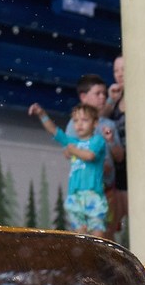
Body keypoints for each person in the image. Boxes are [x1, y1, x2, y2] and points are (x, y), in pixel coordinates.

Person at [28, 101, 109, 240]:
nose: (79, 124)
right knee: (80, 235)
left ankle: (99, 253)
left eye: (84, 120)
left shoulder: (97, 141)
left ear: (95, 123)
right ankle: (84, 252)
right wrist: (42, 114)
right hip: (75, 195)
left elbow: (89, 156)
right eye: (76, 121)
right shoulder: (73, 141)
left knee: (98, 233)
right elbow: (54, 131)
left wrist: (72, 150)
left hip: (93, 194)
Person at [70, 74, 122, 229]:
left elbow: (119, 157)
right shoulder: (74, 124)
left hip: (107, 188)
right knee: (82, 233)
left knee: (105, 231)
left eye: (104, 94)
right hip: (83, 189)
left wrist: (111, 141)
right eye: (97, 93)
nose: (102, 97)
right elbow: (68, 152)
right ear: (83, 97)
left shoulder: (108, 125)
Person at [103, 55, 127, 235]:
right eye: (115, 71)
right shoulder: (116, 100)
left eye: (123, 70)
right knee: (112, 220)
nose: (119, 74)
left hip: (137, 165)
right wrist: (111, 100)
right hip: (118, 166)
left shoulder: (143, 96)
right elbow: (98, 121)